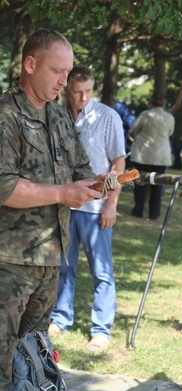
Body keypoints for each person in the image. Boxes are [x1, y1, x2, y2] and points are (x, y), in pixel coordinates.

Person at [0, 29, 114, 391]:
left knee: (33, 358)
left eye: (68, 72)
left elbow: (80, 171)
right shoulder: (6, 115)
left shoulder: (60, 115)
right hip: (9, 261)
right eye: (57, 71)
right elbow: (4, 186)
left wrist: (102, 183)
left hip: (50, 260)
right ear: (30, 65)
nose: (65, 82)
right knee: (1, 361)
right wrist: (63, 192)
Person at [49, 66, 125, 351]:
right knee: (64, 267)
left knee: (101, 271)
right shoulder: (56, 114)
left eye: (88, 91)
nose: (82, 97)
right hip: (66, 204)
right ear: (67, 89)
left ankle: (101, 329)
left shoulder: (108, 117)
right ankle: (60, 317)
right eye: (77, 92)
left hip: (96, 209)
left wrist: (111, 204)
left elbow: (118, 163)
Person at [129, 94, 175, 220]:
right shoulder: (169, 117)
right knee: (157, 185)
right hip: (161, 155)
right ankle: (154, 212)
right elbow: (170, 132)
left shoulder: (145, 114)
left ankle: (138, 209)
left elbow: (133, 128)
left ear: (151, 103)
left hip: (144, 154)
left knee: (140, 182)